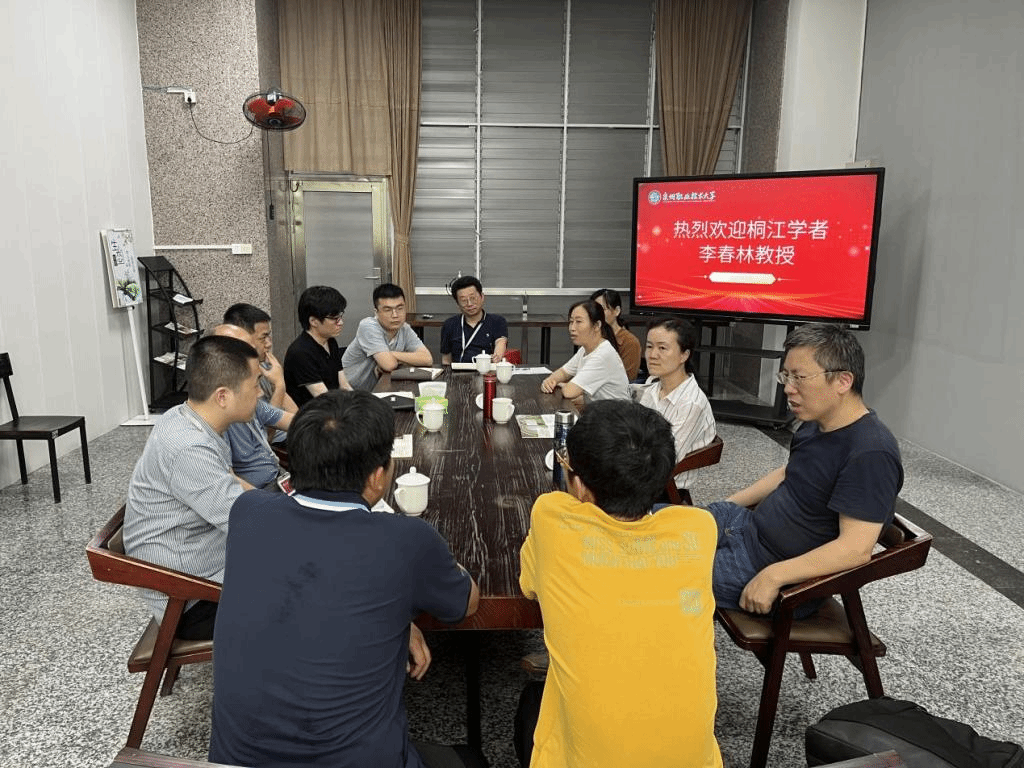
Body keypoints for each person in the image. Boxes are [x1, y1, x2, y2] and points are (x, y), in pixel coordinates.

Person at [208, 390, 481, 768]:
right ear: (377, 476)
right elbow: (467, 603)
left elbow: (309, 583)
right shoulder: (407, 540)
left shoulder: (248, 512)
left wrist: (396, 618)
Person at [519, 400, 721, 768]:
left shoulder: (550, 520)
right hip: (695, 760)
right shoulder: (699, 531)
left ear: (580, 486)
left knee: (533, 703)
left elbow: (529, 587)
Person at [706, 323, 904, 617]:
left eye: (799, 377)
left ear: (843, 381)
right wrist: (725, 507)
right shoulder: (815, 423)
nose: (788, 387)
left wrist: (774, 576)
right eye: (786, 376)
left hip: (767, 565)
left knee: (652, 571)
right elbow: (788, 474)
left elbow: (855, 549)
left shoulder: (870, 453)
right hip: (745, 526)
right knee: (651, 527)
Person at [123, 335, 263, 640]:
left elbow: (232, 484)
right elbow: (247, 522)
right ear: (223, 396)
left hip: (203, 564)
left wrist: (283, 507)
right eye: (255, 384)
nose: (260, 392)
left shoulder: (186, 416)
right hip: (191, 599)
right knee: (312, 587)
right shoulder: (190, 447)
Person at [631, 317, 716, 491]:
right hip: (638, 470)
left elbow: (663, 460)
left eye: (662, 348)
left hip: (660, 488)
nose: (652, 355)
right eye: (649, 347)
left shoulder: (691, 404)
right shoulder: (653, 389)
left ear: (684, 355)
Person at [212, 324, 292, 489]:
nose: (259, 392)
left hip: (277, 477)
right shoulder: (215, 417)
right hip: (260, 490)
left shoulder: (250, 398)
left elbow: (295, 420)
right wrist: (279, 387)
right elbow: (229, 482)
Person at [342, 282, 433, 390]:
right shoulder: (368, 326)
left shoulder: (404, 328)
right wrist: (399, 358)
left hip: (379, 389)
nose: (395, 315)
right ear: (376, 312)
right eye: (388, 310)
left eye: (400, 308)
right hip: (350, 392)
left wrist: (391, 354)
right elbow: (389, 365)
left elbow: (427, 359)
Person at [540, 300, 629, 404]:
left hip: (616, 413)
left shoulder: (603, 355)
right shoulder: (585, 349)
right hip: (599, 410)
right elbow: (564, 372)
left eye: (578, 322)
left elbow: (569, 392)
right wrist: (550, 381)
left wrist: (561, 384)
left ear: (597, 325)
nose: (572, 328)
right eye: (571, 322)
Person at [223, 302, 298, 418]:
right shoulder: (234, 381)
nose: (269, 344)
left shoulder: (265, 367)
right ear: (243, 339)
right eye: (263, 338)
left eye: (269, 336)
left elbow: (295, 415)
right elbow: (265, 429)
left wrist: (278, 384)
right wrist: (279, 387)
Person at [283, 285, 351, 408]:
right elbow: (323, 397)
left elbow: (344, 385)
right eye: (335, 319)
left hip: (332, 406)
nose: (340, 323)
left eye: (340, 316)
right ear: (313, 321)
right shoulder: (300, 352)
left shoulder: (330, 341)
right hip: (312, 414)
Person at [440, 275, 509, 365]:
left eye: (473, 298)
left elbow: (500, 343)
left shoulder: (497, 321)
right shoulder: (449, 324)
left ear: (482, 297)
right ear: (458, 304)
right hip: (458, 372)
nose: (469, 304)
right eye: (463, 300)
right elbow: (446, 359)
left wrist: (497, 357)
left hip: (487, 370)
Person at [590, 288, 641, 380]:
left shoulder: (630, 342)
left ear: (616, 311)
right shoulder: (591, 336)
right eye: (594, 310)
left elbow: (627, 379)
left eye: (602, 309)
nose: (597, 314)